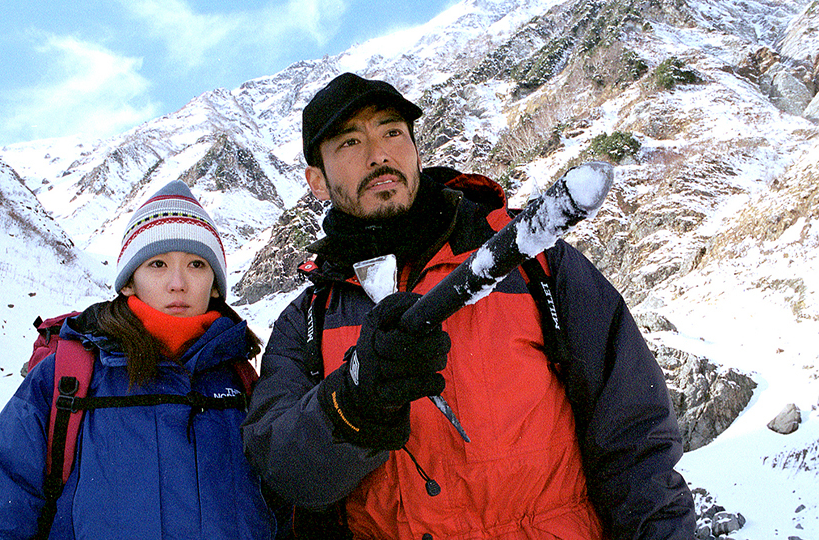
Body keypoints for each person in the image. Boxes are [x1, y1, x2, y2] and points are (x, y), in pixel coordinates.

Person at [241, 72, 696, 539]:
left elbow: (635, 438)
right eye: (350, 142)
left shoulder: (533, 262)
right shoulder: (309, 320)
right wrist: (355, 402)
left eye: (392, 132)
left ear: (417, 151)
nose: (379, 154)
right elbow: (286, 473)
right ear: (316, 180)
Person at [0, 180, 277, 539]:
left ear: (215, 285)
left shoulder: (243, 383)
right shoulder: (67, 378)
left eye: (196, 264)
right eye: (157, 264)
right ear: (129, 282)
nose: (178, 283)